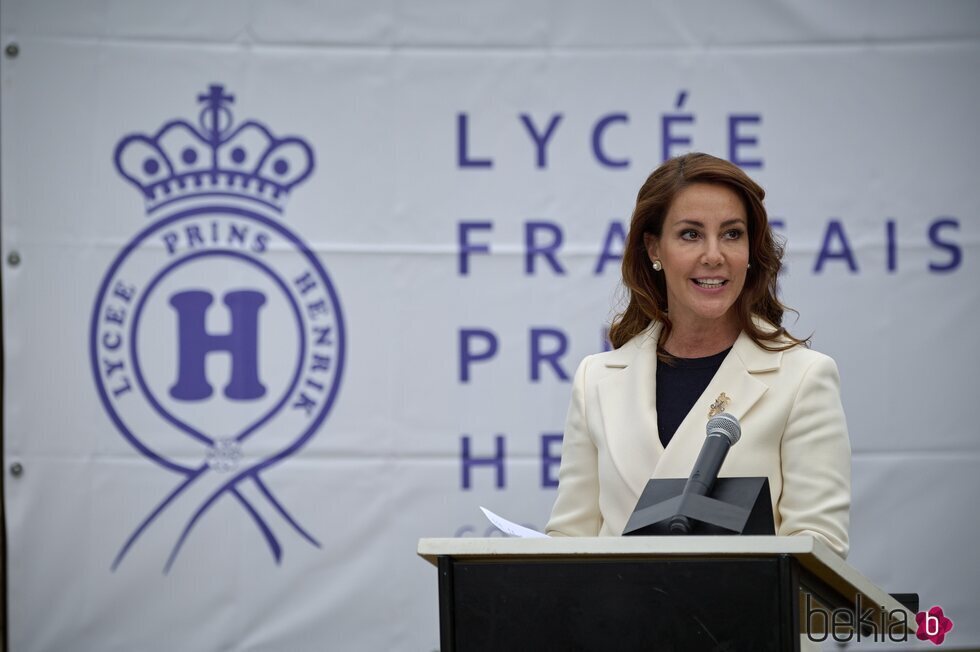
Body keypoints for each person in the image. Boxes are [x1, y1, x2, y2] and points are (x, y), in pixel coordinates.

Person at [545, 152, 850, 558]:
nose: (713, 255)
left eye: (731, 234)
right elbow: (568, 542)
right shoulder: (596, 379)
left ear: (751, 250)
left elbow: (819, 552)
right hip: (615, 619)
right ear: (654, 248)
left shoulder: (804, 377)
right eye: (690, 234)